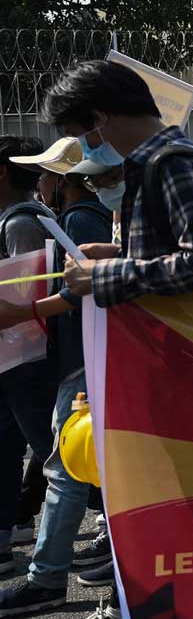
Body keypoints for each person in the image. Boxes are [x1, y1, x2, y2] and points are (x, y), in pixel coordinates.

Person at [44, 60, 193, 619]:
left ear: (100, 119)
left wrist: (109, 274)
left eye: (83, 131)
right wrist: (122, 251)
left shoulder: (172, 165)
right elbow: (179, 253)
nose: (83, 147)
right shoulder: (151, 168)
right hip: (179, 368)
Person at [0, 139, 115, 619]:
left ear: (61, 180)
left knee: (65, 464)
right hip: (78, 355)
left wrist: (25, 310)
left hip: (81, 357)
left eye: (46, 175)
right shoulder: (72, 218)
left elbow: (81, 291)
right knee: (67, 463)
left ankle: (48, 577)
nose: (41, 183)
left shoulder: (76, 219)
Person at [0, 137, 56, 593]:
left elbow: (25, 294)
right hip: (16, 354)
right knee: (10, 444)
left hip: (24, 356)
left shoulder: (21, 222)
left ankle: (112, 527)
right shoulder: (28, 217)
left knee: (52, 449)